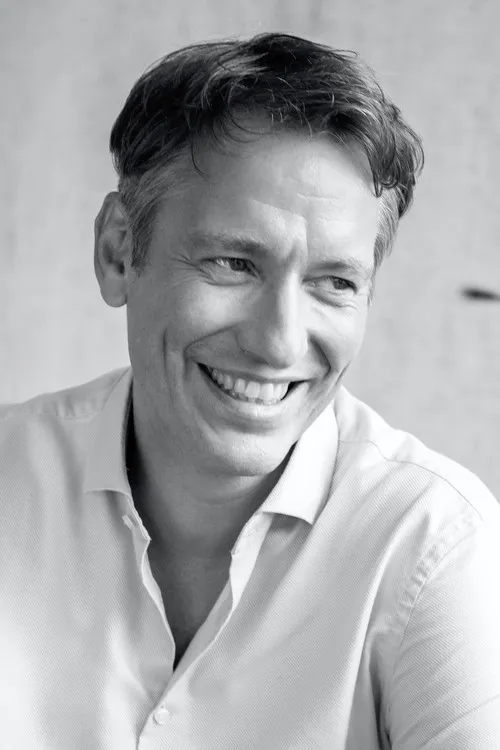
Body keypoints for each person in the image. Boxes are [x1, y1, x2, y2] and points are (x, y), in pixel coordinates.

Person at [1, 32, 499, 750]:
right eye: (233, 263)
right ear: (118, 252)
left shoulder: (435, 545)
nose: (279, 343)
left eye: (335, 282)